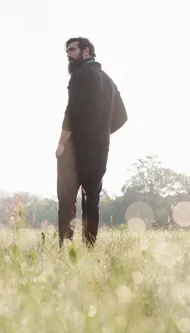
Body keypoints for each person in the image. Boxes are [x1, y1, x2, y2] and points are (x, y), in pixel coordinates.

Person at [55, 37, 128, 248]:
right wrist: (100, 133)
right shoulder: (109, 81)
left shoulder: (79, 76)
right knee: (92, 201)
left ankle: (66, 248)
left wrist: (61, 144)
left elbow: (72, 111)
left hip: (74, 151)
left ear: (86, 51)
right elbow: (122, 117)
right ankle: (89, 249)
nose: (68, 55)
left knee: (67, 201)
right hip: (100, 150)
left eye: (72, 50)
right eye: (67, 51)